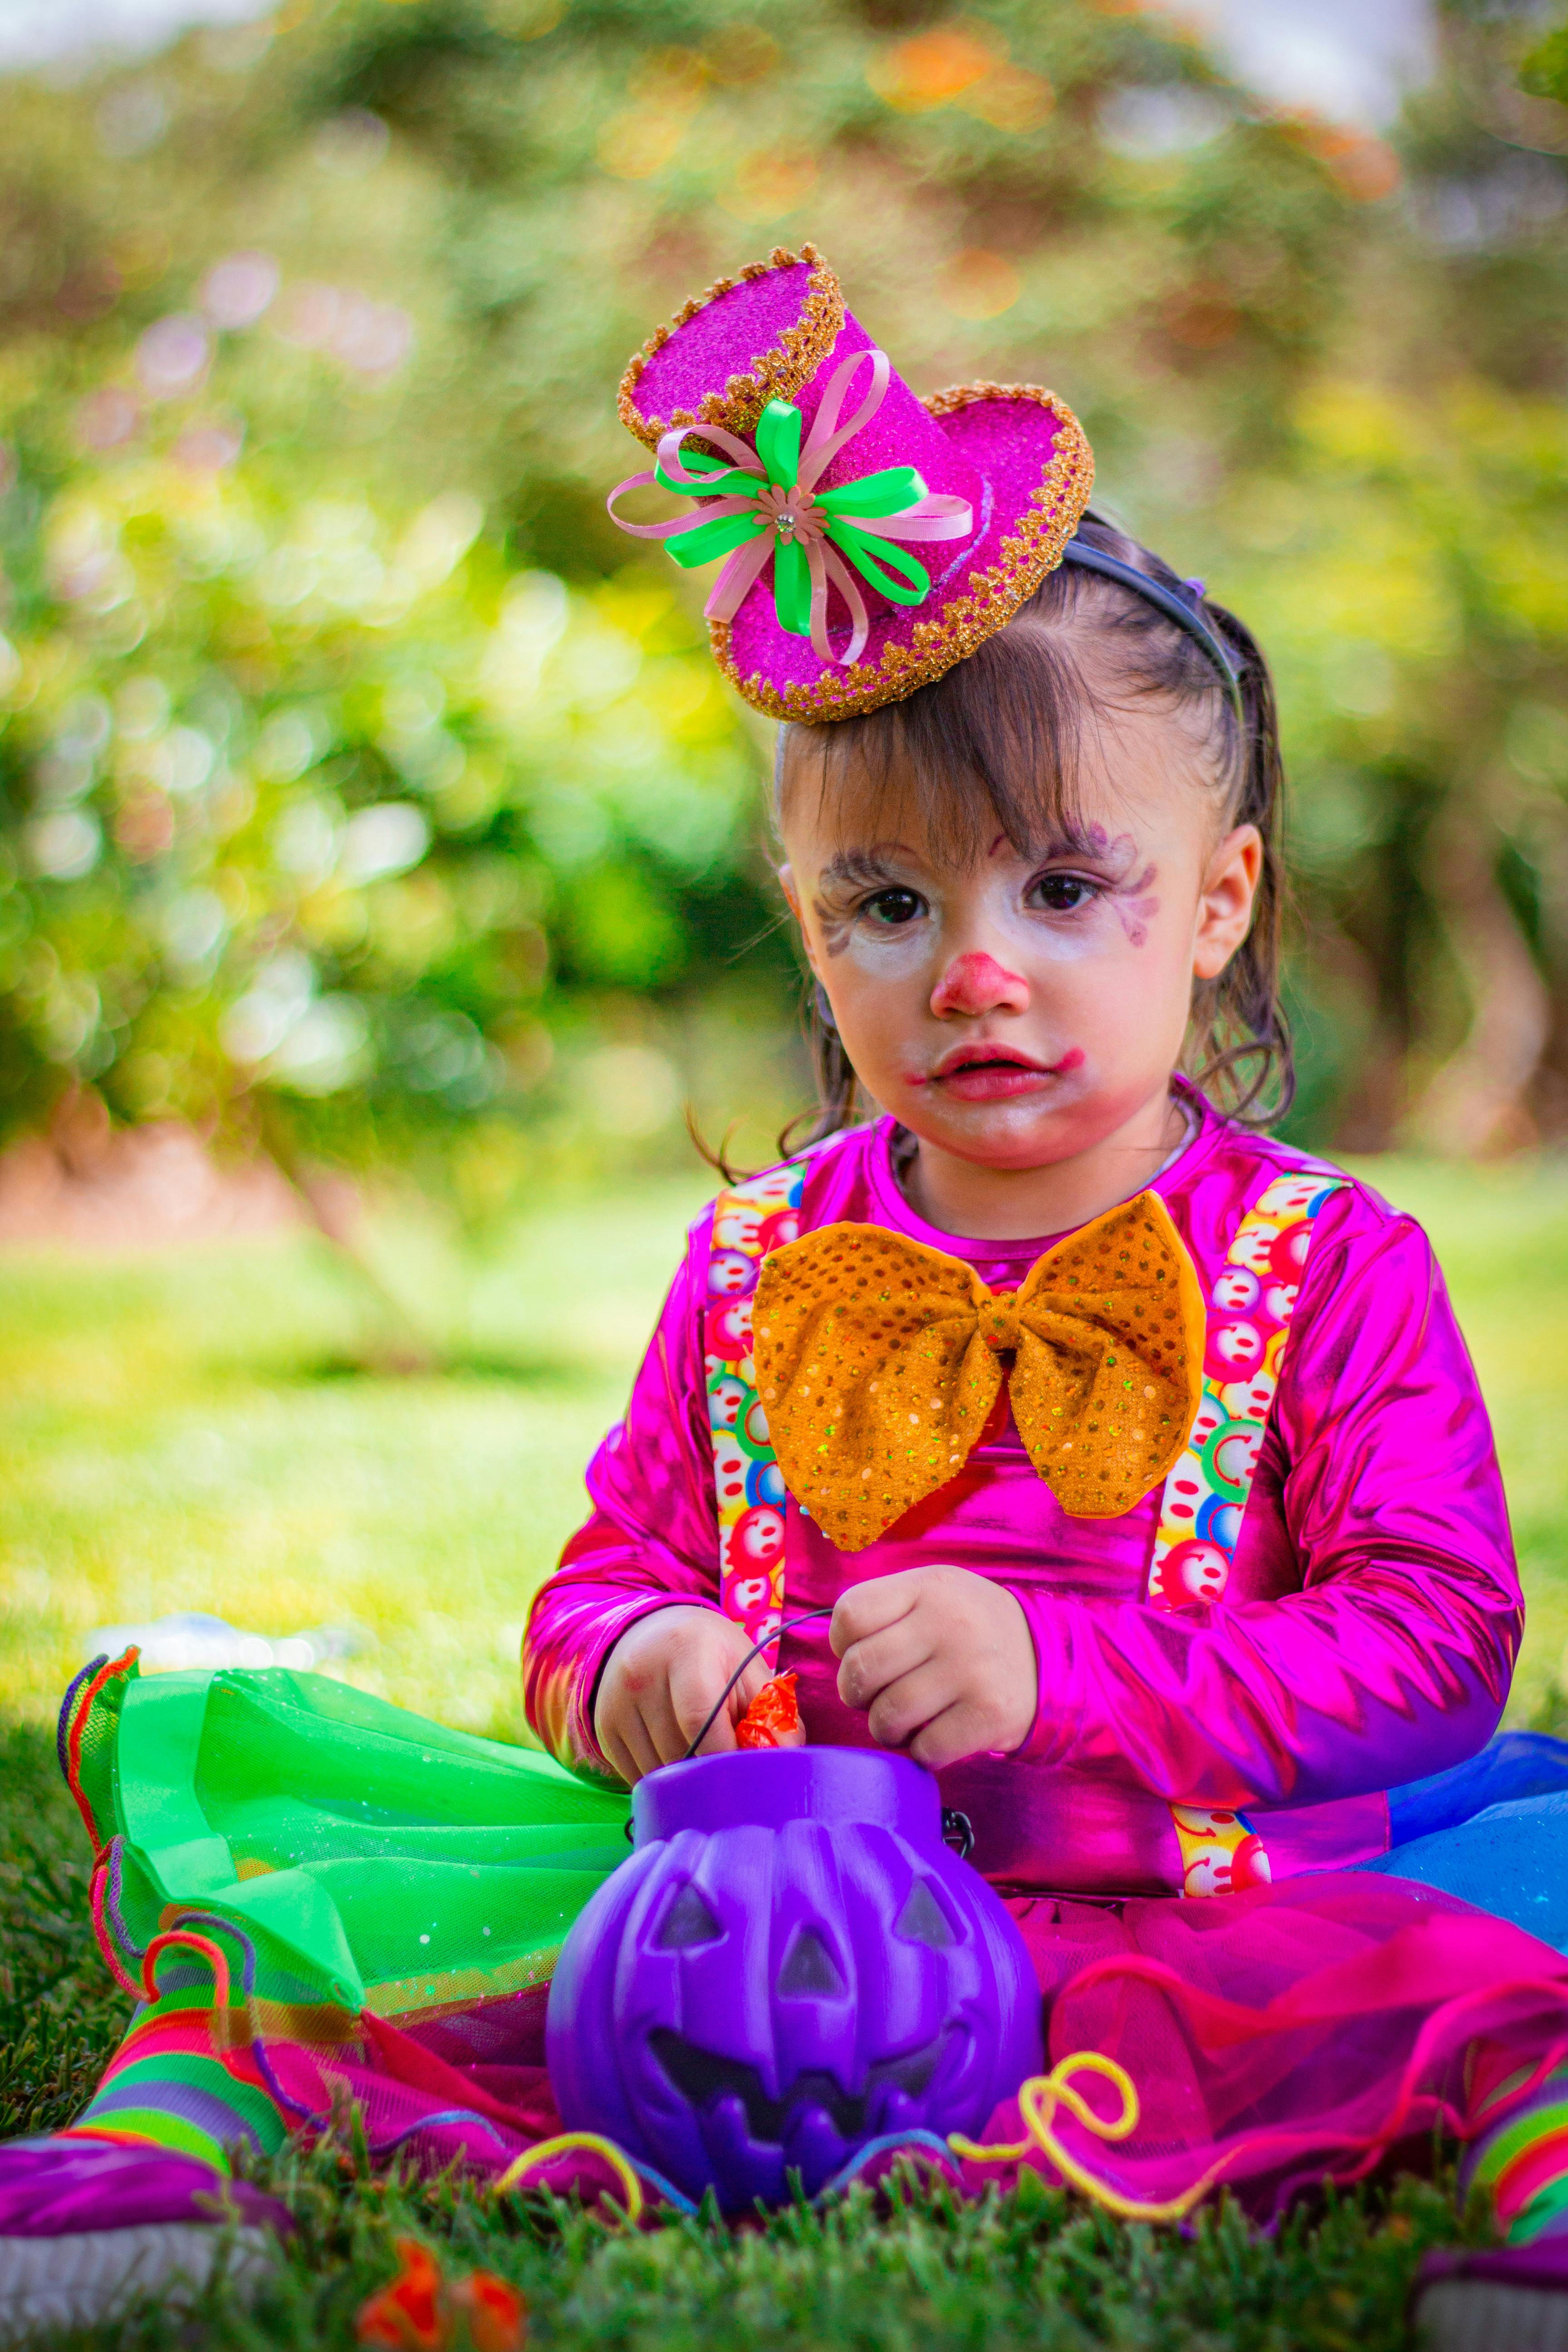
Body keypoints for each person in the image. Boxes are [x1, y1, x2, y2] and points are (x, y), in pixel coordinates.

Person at [2, 248, 1566, 2352]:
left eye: (1064, 889)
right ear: (810, 931)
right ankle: (178, 2146)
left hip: (1194, 1890)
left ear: (1219, 903)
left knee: (1466, 1976)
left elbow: (1435, 1638)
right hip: (750, 1913)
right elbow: (600, 1572)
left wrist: (1067, 1673)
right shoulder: (757, 1265)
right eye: (890, 904)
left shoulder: (1326, 1264)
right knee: (376, 1941)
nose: (972, 969)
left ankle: (1536, 2176)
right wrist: (631, 1657)